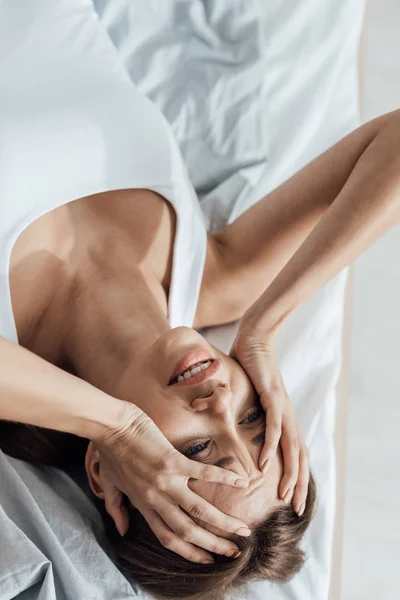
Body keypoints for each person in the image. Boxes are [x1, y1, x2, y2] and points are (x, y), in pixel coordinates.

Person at [1, 2, 400, 599]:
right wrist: (264, 327)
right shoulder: (217, 275)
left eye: (199, 449)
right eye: (252, 417)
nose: (219, 402)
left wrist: (121, 426)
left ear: (107, 476)